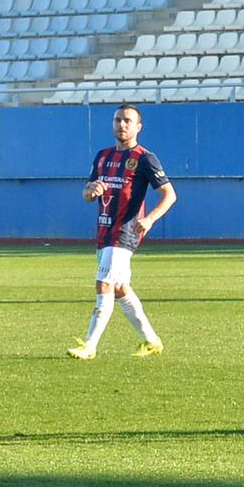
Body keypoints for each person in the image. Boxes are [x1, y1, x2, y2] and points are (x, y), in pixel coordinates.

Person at [69, 103, 177, 360]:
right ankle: (152, 341)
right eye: (118, 120)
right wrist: (91, 190)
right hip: (104, 231)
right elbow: (86, 194)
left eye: (128, 120)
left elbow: (169, 194)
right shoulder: (103, 156)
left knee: (103, 283)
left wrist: (150, 219)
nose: (122, 124)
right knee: (119, 288)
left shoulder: (144, 158)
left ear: (138, 127)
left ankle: (90, 345)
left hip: (125, 232)